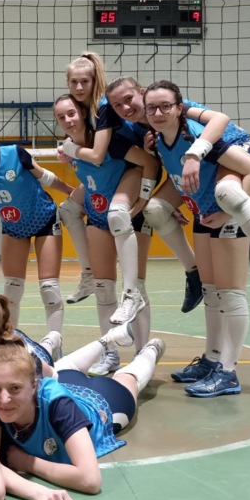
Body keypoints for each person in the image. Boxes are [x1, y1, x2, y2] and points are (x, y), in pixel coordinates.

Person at [143, 80, 250, 397]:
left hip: (227, 211)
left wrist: (228, 213)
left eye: (165, 106)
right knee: (211, 291)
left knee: (230, 293)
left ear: (179, 108)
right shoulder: (159, 140)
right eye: (152, 108)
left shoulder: (200, 137)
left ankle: (228, 371)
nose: (158, 113)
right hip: (205, 212)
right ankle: (211, 359)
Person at [108, 76, 250, 311]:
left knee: (227, 193)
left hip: (230, 148)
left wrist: (195, 153)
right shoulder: (137, 128)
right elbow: (165, 161)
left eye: (128, 99)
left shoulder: (177, 109)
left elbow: (220, 119)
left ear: (142, 92)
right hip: (194, 165)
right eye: (117, 105)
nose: (125, 108)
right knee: (155, 210)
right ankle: (193, 273)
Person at [0, 336, 165, 500]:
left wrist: (28, 462)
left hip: (104, 401)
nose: (4, 399)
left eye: (15, 388)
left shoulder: (58, 405)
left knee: (127, 378)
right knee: (68, 368)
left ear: (34, 386)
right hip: (68, 383)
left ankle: (150, 350)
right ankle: (102, 339)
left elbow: (90, 480)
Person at [54, 94, 157, 374]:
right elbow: (92, 181)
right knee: (104, 288)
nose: (68, 120)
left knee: (136, 288)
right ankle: (109, 354)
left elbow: (148, 163)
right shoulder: (69, 148)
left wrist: (144, 199)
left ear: (83, 114)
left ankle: (142, 354)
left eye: (72, 113)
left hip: (128, 213)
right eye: (61, 117)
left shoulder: (109, 141)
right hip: (98, 215)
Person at [0, 115, 74, 332]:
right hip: (13, 228)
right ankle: (9, 340)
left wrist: (70, 191)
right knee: (11, 290)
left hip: (44, 219)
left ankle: (54, 343)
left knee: (49, 289)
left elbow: (44, 177)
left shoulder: (15, 153)